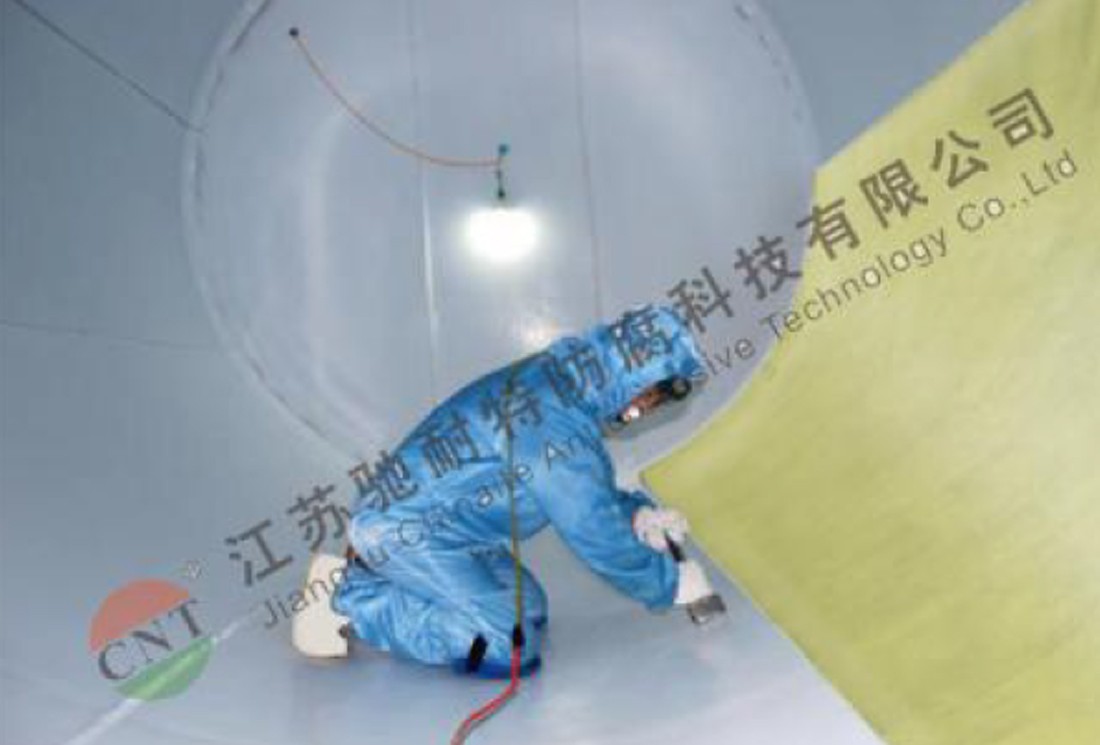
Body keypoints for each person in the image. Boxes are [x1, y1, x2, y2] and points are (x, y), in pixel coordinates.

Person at [292, 304, 719, 677]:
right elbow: (588, 523)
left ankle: (379, 578)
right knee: (507, 647)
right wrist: (668, 583)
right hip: (405, 531)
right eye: (652, 397)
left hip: (454, 534)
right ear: (638, 375)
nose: (644, 410)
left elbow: (586, 485)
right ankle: (348, 600)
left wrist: (637, 515)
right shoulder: (553, 412)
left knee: (530, 610)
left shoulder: (562, 385)